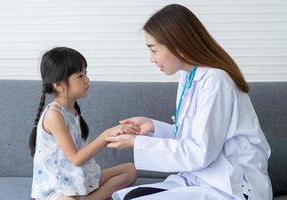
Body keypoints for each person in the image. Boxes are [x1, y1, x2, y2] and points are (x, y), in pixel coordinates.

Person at [105, 4, 272, 200]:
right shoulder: (189, 77)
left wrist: (137, 143)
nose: (152, 59)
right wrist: (153, 127)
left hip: (230, 187)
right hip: (202, 178)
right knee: (127, 196)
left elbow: (200, 152)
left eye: (154, 50)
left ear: (178, 45)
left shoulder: (215, 81)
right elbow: (193, 137)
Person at [29, 47, 138, 200]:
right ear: (59, 85)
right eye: (80, 76)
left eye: (85, 73)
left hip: (77, 177)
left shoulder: (73, 109)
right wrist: (106, 135)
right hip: (58, 186)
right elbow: (76, 158)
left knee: (130, 170)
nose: (87, 79)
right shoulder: (54, 115)